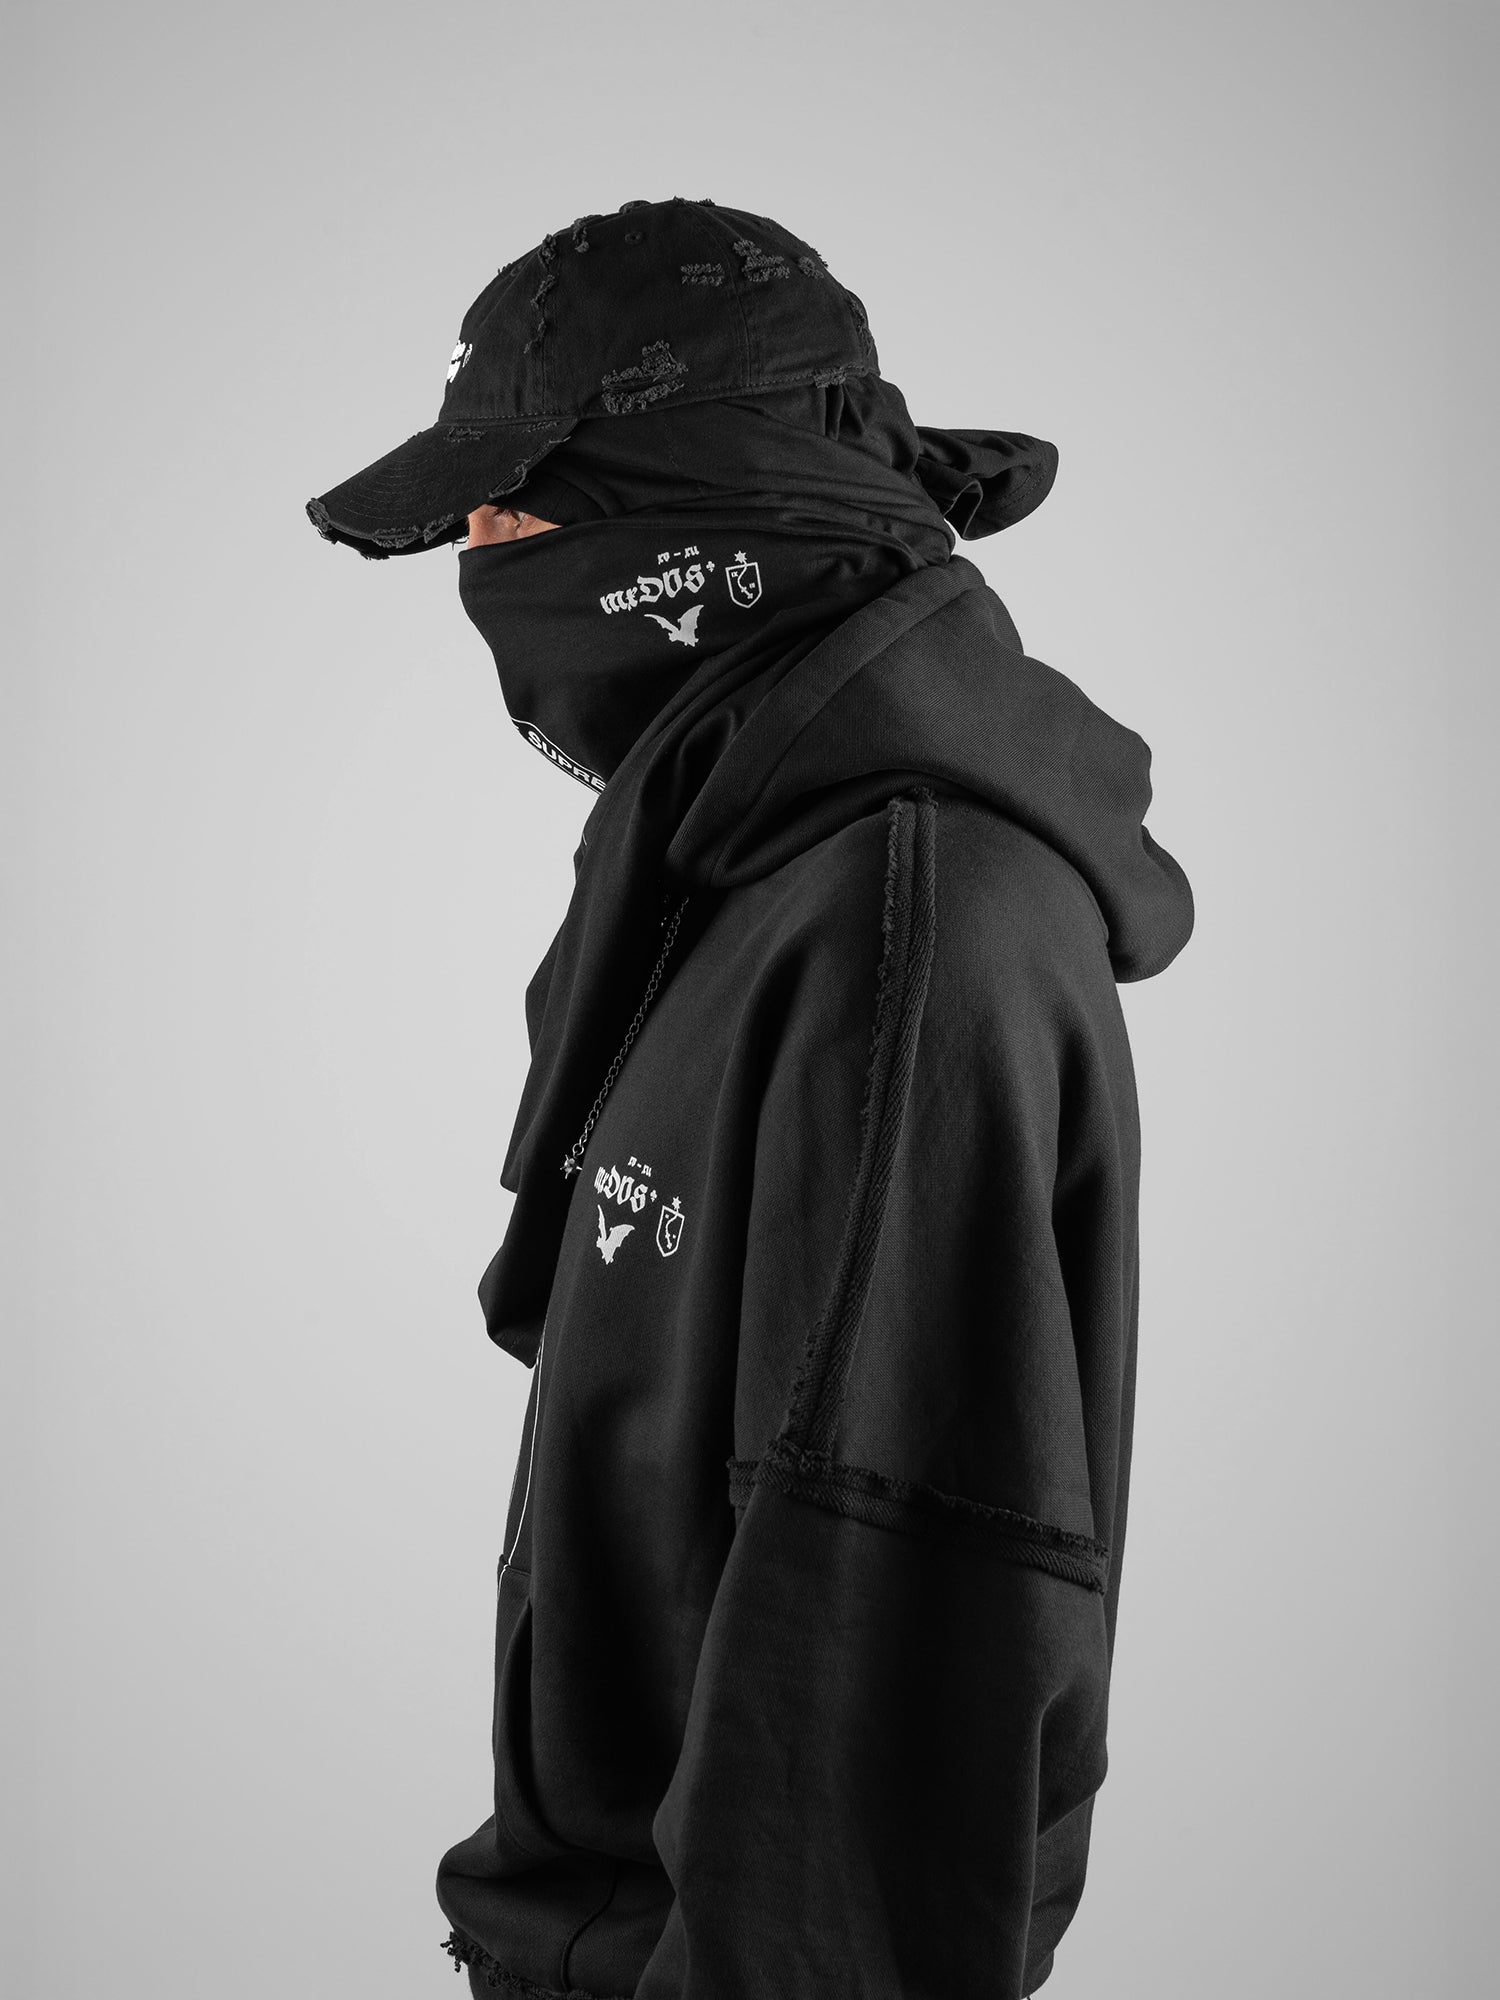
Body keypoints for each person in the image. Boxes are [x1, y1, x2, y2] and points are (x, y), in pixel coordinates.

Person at [306, 196, 1194, 2000]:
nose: (487, 569)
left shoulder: (906, 924)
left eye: (524, 514)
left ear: (703, 520)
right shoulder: (740, 878)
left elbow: (887, 1636)